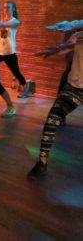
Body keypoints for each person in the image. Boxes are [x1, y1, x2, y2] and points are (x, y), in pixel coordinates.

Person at [27, 29, 83, 179]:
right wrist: (53, 51)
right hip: (75, 88)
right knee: (53, 118)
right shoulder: (78, 35)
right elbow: (66, 48)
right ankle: (42, 164)